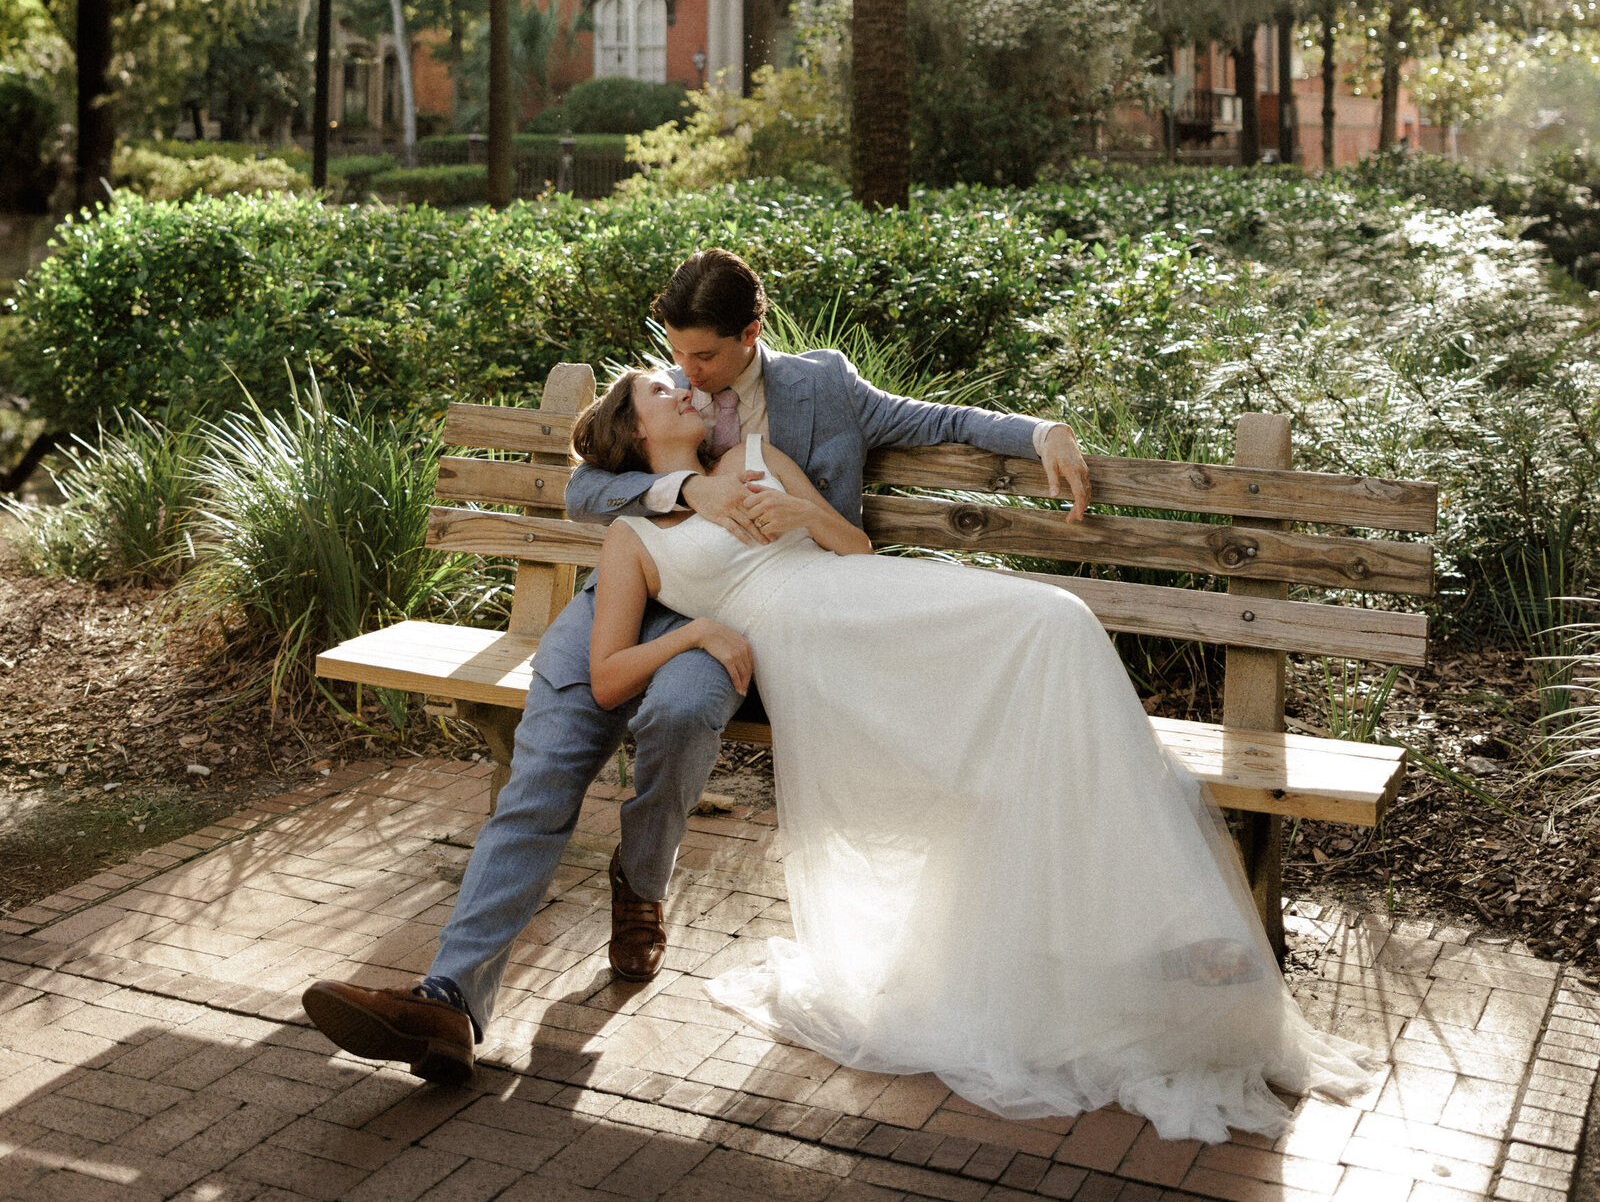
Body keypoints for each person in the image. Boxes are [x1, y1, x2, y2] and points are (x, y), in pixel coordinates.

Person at [300, 248, 1092, 1089]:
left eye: (705, 357)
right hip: (628, 597)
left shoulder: (821, 390)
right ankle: (448, 1001)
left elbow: (936, 421)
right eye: (675, 355)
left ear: (751, 336)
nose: (689, 373)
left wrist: (1042, 431)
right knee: (540, 779)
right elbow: (584, 492)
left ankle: (641, 883)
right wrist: (681, 493)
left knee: (679, 715)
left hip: (735, 619)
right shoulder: (665, 396)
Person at [580, 367, 1372, 1145]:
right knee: (1039, 667)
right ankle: (1154, 934)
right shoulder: (635, 536)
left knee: (1056, 627)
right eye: (659, 390)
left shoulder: (755, 455)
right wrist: (696, 632)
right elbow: (608, 676)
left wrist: (799, 512)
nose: (683, 387)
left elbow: (853, 548)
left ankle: (1159, 937)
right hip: (815, 660)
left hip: (871, 603)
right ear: (633, 429)